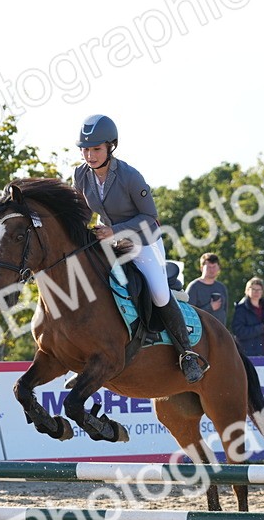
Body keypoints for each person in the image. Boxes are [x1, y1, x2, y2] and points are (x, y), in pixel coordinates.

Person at [73, 113, 207, 383]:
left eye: (96, 149)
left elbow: (150, 218)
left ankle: (187, 354)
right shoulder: (80, 175)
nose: (90, 155)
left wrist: (115, 231)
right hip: (108, 240)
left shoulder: (130, 177)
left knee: (159, 293)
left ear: (111, 146)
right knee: (85, 280)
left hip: (144, 241)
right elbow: (82, 212)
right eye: (85, 149)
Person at [231, 277, 264, 356]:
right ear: (247, 291)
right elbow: (238, 332)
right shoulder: (241, 309)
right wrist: (261, 328)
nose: (256, 292)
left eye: (259, 289)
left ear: (262, 292)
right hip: (248, 354)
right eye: (253, 289)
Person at [185, 252, 229, 326]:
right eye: (209, 267)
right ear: (201, 268)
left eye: (214, 266)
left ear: (218, 268)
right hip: (201, 333)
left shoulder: (221, 287)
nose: (212, 270)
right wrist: (210, 307)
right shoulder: (194, 287)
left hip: (219, 332)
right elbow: (188, 313)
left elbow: (225, 311)